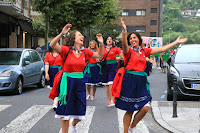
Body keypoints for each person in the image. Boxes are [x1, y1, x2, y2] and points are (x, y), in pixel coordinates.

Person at [115, 18, 187, 133]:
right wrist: (124, 31)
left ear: (139, 39)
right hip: (129, 81)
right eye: (131, 38)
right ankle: (125, 131)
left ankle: (132, 126)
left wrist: (176, 42)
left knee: (145, 108)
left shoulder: (145, 51)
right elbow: (124, 45)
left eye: (134, 37)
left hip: (141, 82)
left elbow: (162, 48)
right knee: (129, 109)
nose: (132, 39)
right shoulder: (128, 51)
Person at [48, 24, 104, 133]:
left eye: (82, 35)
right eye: (79, 35)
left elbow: (99, 55)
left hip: (79, 82)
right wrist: (62, 33)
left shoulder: (84, 51)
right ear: (74, 38)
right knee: (65, 113)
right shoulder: (65, 50)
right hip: (67, 82)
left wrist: (101, 43)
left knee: (80, 110)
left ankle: (74, 125)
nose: (82, 36)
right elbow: (52, 44)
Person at [100, 36, 123, 107]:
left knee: (111, 83)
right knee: (106, 84)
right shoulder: (102, 48)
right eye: (108, 39)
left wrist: (116, 58)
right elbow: (98, 55)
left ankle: (113, 99)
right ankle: (109, 100)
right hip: (104, 67)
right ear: (105, 41)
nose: (109, 40)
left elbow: (122, 56)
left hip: (113, 67)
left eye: (111, 39)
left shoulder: (115, 48)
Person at [44, 45, 62, 111]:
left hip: (59, 71)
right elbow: (46, 64)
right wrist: (46, 73)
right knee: (54, 88)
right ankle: (56, 102)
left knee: (59, 86)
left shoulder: (61, 53)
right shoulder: (48, 54)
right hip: (51, 71)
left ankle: (56, 103)